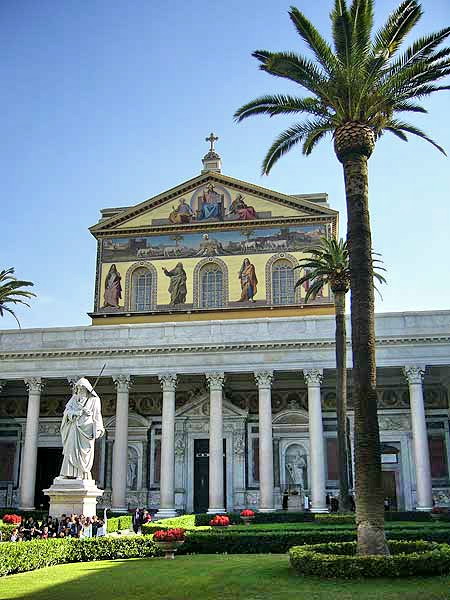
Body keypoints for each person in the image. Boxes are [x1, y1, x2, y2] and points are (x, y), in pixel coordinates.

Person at [59, 377, 105, 479]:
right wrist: (76, 413)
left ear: (87, 389)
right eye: (78, 388)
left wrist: (99, 428)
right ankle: (67, 474)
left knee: (83, 453)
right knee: (70, 451)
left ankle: (81, 474)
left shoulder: (94, 400)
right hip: (73, 428)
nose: (79, 390)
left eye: (82, 388)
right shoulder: (74, 399)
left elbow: (97, 415)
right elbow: (66, 413)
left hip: (86, 430)